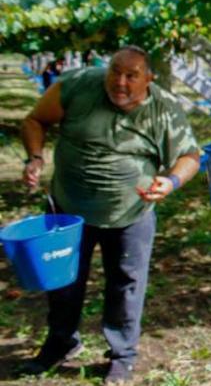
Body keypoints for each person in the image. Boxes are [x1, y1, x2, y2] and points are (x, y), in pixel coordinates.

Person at [19, 46, 200, 384]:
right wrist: (35, 157)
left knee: (126, 286)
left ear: (148, 78)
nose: (120, 81)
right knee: (62, 281)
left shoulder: (163, 109)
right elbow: (35, 119)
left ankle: (121, 356)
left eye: (131, 75)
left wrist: (171, 181)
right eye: (115, 71)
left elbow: (190, 155)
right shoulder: (77, 86)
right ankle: (60, 343)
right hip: (67, 211)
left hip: (130, 213)